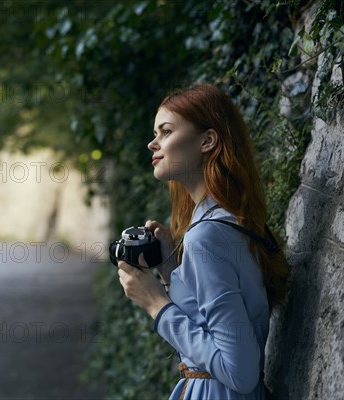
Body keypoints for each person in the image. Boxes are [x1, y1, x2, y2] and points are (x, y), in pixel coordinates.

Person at [117, 83, 290, 399]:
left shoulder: (207, 235)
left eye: (166, 132)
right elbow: (211, 322)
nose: (152, 144)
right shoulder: (230, 222)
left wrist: (156, 304)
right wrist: (171, 269)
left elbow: (240, 371)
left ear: (207, 140)